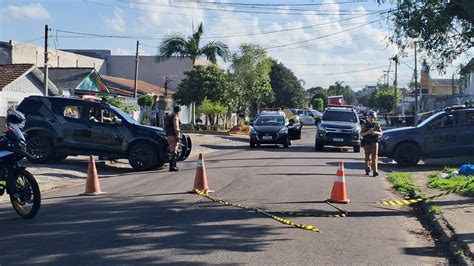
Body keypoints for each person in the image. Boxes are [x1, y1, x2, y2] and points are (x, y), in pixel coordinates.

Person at [360, 111, 383, 177]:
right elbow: (361, 134)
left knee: (374, 156)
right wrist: (368, 132)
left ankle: (375, 171)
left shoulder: (376, 125)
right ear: (368, 118)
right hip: (367, 143)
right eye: (370, 117)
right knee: (367, 157)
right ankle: (367, 169)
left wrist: (375, 132)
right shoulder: (365, 125)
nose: (371, 119)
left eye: (373, 117)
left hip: (374, 142)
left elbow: (381, 133)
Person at [164, 106, 181, 172]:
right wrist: (178, 135)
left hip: (168, 135)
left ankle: (172, 166)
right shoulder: (175, 117)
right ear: (178, 111)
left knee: (171, 151)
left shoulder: (169, 116)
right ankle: (173, 166)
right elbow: (176, 127)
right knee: (174, 151)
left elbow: (165, 126)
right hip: (173, 135)